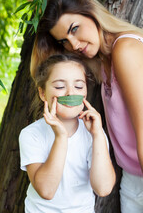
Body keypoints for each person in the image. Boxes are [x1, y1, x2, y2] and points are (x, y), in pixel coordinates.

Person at [4, 0, 143, 212]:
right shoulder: (100, 57)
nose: (74, 44)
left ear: (90, 11)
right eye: (64, 41)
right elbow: (48, 5)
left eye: (75, 29)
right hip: (133, 177)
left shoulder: (125, 49)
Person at [19, 53, 115, 213]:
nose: (71, 93)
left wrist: (98, 136)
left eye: (78, 86)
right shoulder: (31, 134)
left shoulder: (94, 132)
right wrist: (61, 138)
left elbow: (103, 189)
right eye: (59, 87)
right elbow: (46, 191)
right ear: (43, 93)